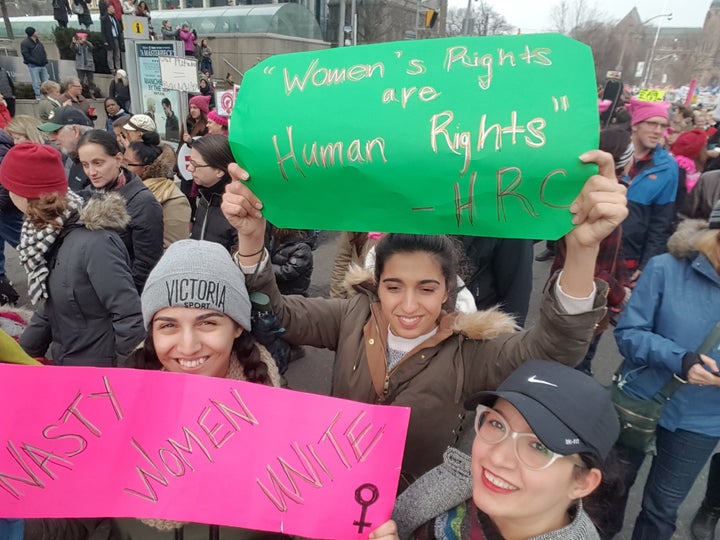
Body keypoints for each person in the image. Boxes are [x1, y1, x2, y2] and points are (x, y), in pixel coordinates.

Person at [221, 149, 628, 488]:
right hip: (337, 491)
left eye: (427, 289)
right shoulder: (351, 317)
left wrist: (582, 253)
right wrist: (252, 238)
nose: (409, 306)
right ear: (376, 285)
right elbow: (276, 313)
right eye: (394, 287)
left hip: (417, 513)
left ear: (448, 290)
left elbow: (554, 351)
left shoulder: (471, 351)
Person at [111, 239, 286, 539]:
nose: (188, 346)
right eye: (168, 326)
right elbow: (68, 514)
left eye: (207, 323)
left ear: (237, 326)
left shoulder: (286, 421)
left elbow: (311, 518)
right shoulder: (112, 412)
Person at [377, 360, 621, 540]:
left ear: (583, 483)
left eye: (538, 446)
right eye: (496, 424)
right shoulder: (456, 482)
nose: (497, 456)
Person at [603, 200, 720, 540]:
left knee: (661, 509)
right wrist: (681, 359)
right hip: (640, 400)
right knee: (610, 490)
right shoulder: (666, 269)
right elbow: (628, 335)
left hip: (702, 420)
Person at [0, 143, 144, 366]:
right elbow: (51, 308)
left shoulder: (95, 243)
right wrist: (20, 358)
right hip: (70, 364)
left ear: (23, 194)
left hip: (100, 372)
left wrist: (129, 379)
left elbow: (128, 316)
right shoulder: (47, 234)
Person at [549, 127, 632, 375]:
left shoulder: (611, 201)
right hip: (580, 295)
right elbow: (594, 266)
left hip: (594, 300)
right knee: (573, 361)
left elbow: (615, 253)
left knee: (580, 357)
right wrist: (619, 292)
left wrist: (623, 281)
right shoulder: (583, 204)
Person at [77, 129, 163, 293]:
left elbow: (146, 266)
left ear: (118, 159)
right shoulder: (88, 193)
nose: (91, 172)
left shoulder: (143, 202)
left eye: (98, 163)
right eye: (85, 165)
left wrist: (122, 300)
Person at [622, 97, 679, 286]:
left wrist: (647, 263)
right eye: (652, 123)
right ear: (635, 124)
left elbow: (661, 222)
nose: (657, 131)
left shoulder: (668, 167)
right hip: (594, 245)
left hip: (629, 255)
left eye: (662, 126)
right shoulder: (611, 151)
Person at [124, 134, 191, 250]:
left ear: (145, 168)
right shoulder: (124, 188)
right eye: (121, 161)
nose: (121, 167)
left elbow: (174, 248)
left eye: (127, 163)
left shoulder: (174, 200)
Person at [189, 134, 237, 251]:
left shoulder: (237, 208)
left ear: (219, 171)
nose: (190, 168)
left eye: (195, 164)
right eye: (190, 162)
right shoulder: (206, 197)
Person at [38, 106, 94, 192]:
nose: (51, 138)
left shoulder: (100, 161)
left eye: (55, 131)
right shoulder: (72, 158)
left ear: (75, 131)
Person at [0, 131, 22, 306]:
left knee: (24, 243)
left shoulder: (1, 148)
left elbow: (5, 182)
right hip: (6, 206)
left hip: (5, 208)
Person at [20, 27, 49, 101]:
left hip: (42, 65)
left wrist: (45, 60)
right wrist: (35, 61)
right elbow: (25, 55)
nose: (37, 33)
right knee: (36, 82)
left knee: (46, 81)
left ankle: (46, 95)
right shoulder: (25, 43)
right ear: (32, 33)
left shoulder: (38, 42)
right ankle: (38, 96)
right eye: (36, 31)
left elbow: (43, 52)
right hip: (33, 66)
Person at [70, 32, 96, 99]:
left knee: (91, 81)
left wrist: (85, 41)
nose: (80, 40)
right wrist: (73, 42)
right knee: (80, 81)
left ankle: (92, 93)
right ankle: (79, 94)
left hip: (89, 66)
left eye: (81, 38)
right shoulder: (77, 45)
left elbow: (92, 47)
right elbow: (72, 49)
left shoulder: (88, 45)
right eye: (79, 38)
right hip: (80, 66)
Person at [101, 4, 123, 73]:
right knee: (110, 54)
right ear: (108, 9)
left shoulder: (114, 18)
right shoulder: (104, 18)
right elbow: (103, 30)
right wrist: (105, 40)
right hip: (110, 38)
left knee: (117, 54)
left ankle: (118, 68)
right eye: (112, 8)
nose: (113, 9)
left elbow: (118, 28)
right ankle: (112, 69)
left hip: (116, 37)